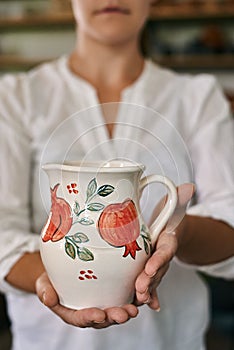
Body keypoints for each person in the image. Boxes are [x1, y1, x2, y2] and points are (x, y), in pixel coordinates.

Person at [0, 1, 234, 349]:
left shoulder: (197, 97)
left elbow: (229, 216)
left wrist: (177, 228)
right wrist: (50, 281)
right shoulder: (15, 97)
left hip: (170, 338)